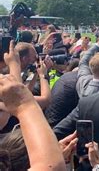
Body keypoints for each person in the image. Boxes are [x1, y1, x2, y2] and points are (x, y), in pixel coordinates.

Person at [0, 41, 66, 170]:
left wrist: (35, 74)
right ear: (23, 59)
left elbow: (24, 93)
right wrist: (43, 75)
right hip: (15, 148)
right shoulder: (6, 84)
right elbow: (43, 99)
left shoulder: (16, 76)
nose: (36, 59)